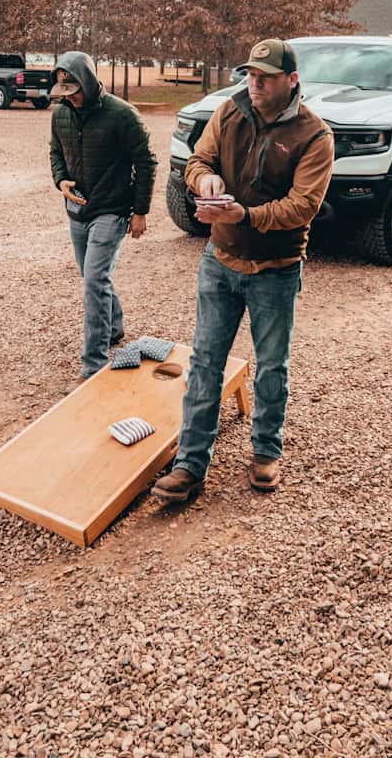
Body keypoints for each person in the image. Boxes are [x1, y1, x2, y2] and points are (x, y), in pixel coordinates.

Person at [152, 38, 334, 502]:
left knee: (271, 366)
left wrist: (245, 216)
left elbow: (302, 207)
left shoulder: (315, 136)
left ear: (291, 81)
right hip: (220, 260)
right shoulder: (229, 111)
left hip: (275, 268)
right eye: (251, 74)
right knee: (205, 362)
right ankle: (191, 465)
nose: (254, 83)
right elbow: (198, 160)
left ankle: (266, 453)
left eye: (266, 77)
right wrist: (203, 179)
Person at [49, 52, 157, 382]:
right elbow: (55, 152)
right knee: (92, 276)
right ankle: (114, 326)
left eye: (75, 90)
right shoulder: (61, 114)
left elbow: (147, 162)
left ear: (88, 81)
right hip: (77, 210)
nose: (71, 98)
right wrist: (60, 180)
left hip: (112, 210)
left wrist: (140, 211)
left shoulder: (123, 115)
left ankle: (92, 365)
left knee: (94, 280)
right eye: (65, 92)